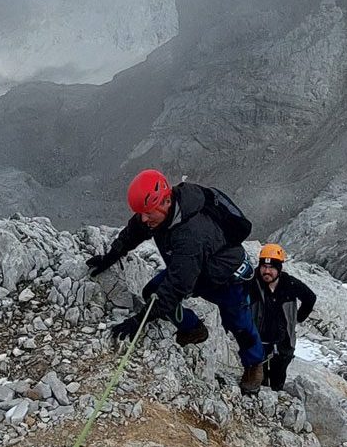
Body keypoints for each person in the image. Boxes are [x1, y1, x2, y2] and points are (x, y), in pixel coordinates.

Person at [86, 168, 266, 394]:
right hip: (194, 270)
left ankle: (254, 365)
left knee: (239, 324)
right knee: (153, 294)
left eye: (147, 213)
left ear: (165, 202)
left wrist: (138, 321)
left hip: (226, 278)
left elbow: (177, 287)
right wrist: (109, 258)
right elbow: (134, 231)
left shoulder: (191, 233)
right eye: (141, 213)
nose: (144, 218)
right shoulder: (157, 214)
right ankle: (193, 329)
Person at [247, 243, 316, 391]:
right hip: (259, 342)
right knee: (259, 380)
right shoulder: (252, 282)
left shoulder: (289, 284)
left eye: (271, 267)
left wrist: (297, 318)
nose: (266, 271)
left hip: (284, 342)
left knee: (278, 378)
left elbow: (310, 298)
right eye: (263, 267)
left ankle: (275, 396)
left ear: (279, 269)